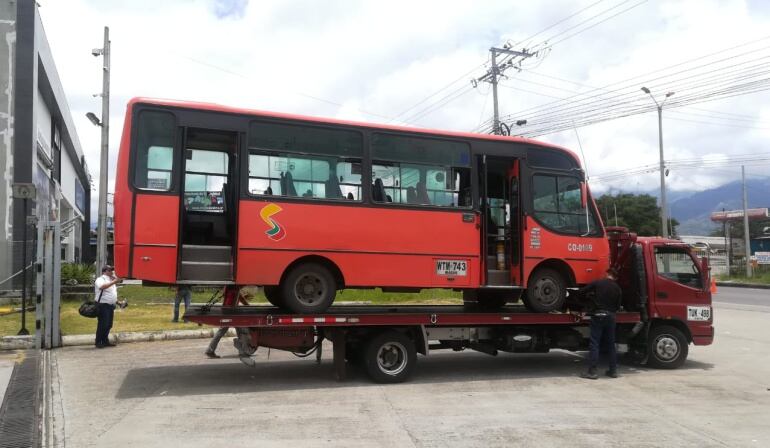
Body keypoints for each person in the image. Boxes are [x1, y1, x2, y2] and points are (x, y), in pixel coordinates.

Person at [578, 268, 623, 379]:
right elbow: (618, 306)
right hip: (611, 317)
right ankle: (613, 371)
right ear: (615, 277)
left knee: (595, 343)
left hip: (598, 316)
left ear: (607, 274)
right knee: (610, 344)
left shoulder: (598, 283)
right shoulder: (618, 289)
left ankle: (592, 372)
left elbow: (582, 291)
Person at [205, 289, 253, 365]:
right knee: (240, 330)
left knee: (238, 329)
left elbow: (236, 297)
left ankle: (210, 350)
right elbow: (241, 298)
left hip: (227, 310)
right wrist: (249, 307)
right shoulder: (235, 288)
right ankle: (210, 350)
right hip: (230, 311)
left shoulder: (229, 287)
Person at [94, 265, 121, 348]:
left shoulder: (111, 280)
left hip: (110, 305)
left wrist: (118, 302)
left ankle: (105, 341)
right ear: (104, 271)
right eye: (110, 270)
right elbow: (102, 287)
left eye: (112, 270)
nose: (112, 272)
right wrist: (114, 281)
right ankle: (98, 341)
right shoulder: (100, 279)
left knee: (109, 324)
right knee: (103, 324)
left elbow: (111, 293)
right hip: (102, 305)